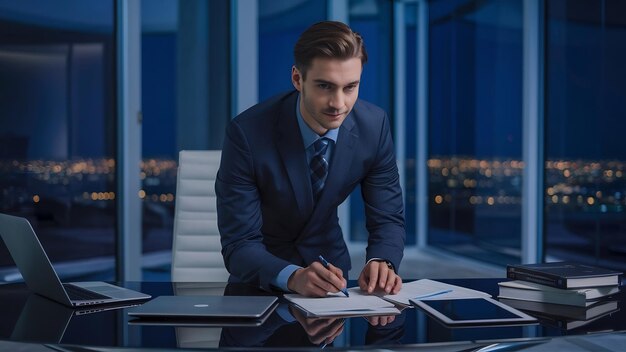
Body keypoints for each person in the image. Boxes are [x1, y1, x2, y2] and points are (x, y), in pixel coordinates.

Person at [216, 21, 405, 297]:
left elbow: (387, 217)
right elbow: (239, 243)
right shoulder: (247, 134)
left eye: (350, 87)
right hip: (261, 280)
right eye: (325, 86)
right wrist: (292, 276)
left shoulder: (374, 127)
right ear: (297, 79)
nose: (338, 103)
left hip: (334, 281)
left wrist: (382, 261)